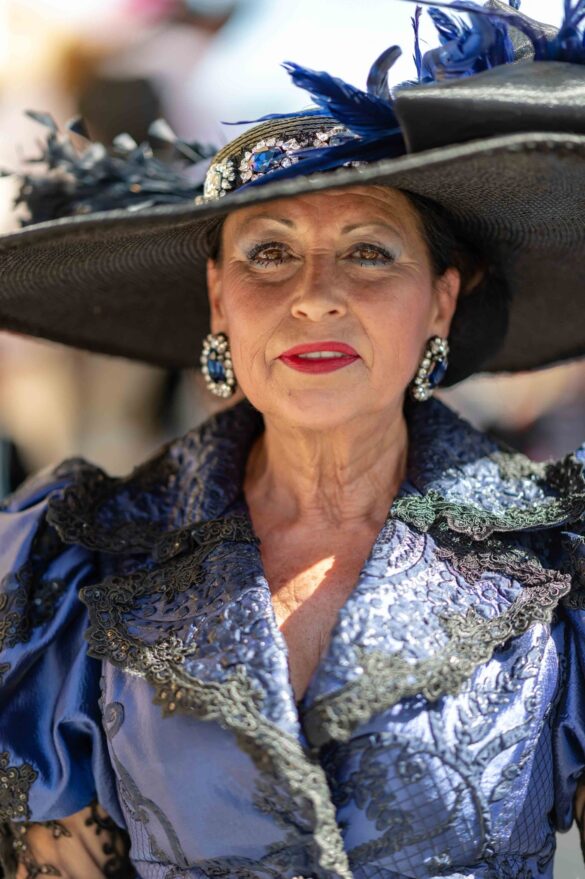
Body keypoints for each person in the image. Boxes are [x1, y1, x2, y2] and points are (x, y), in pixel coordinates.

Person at [1, 1, 585, 877]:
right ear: (219, 299)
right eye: (269, 253)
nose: (314, 296)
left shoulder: (562, 561)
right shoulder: (74, 564)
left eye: (369, 251)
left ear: (440, 302)